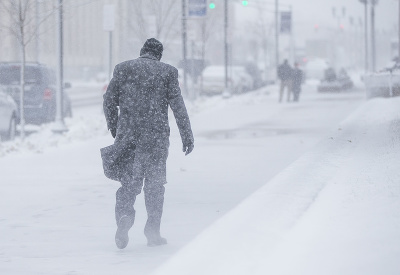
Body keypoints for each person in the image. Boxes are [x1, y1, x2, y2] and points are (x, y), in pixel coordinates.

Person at [103, 38, 194, 249]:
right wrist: (187, 135)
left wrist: (115, 126)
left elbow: (109, 100)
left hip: (129, 138)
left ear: (142, 51)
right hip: (156, 139)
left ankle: (124, 217)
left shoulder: (123, 69)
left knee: (129, 183)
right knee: (155, 186)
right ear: (159, 55)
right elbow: (178, 106)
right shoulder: (167, 72)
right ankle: (152, 231)